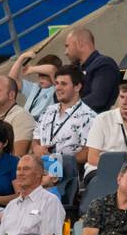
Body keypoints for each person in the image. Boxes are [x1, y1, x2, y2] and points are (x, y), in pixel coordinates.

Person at [32, 65, 95, 194]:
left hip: (68, 177)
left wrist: (58, 159)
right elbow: (35, 141)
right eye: (56, 83)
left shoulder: (90, 117)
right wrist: (38, 150)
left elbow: (87, 152)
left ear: (77, 87)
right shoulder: (47, 111)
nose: (58, 88)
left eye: (63, 84)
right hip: (41, 172)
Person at [0, 155, 66, 235]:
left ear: (39, 173)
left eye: (26, 169)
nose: (20, 173)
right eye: (18, 169)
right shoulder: (11, 205)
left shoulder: (50, 201)